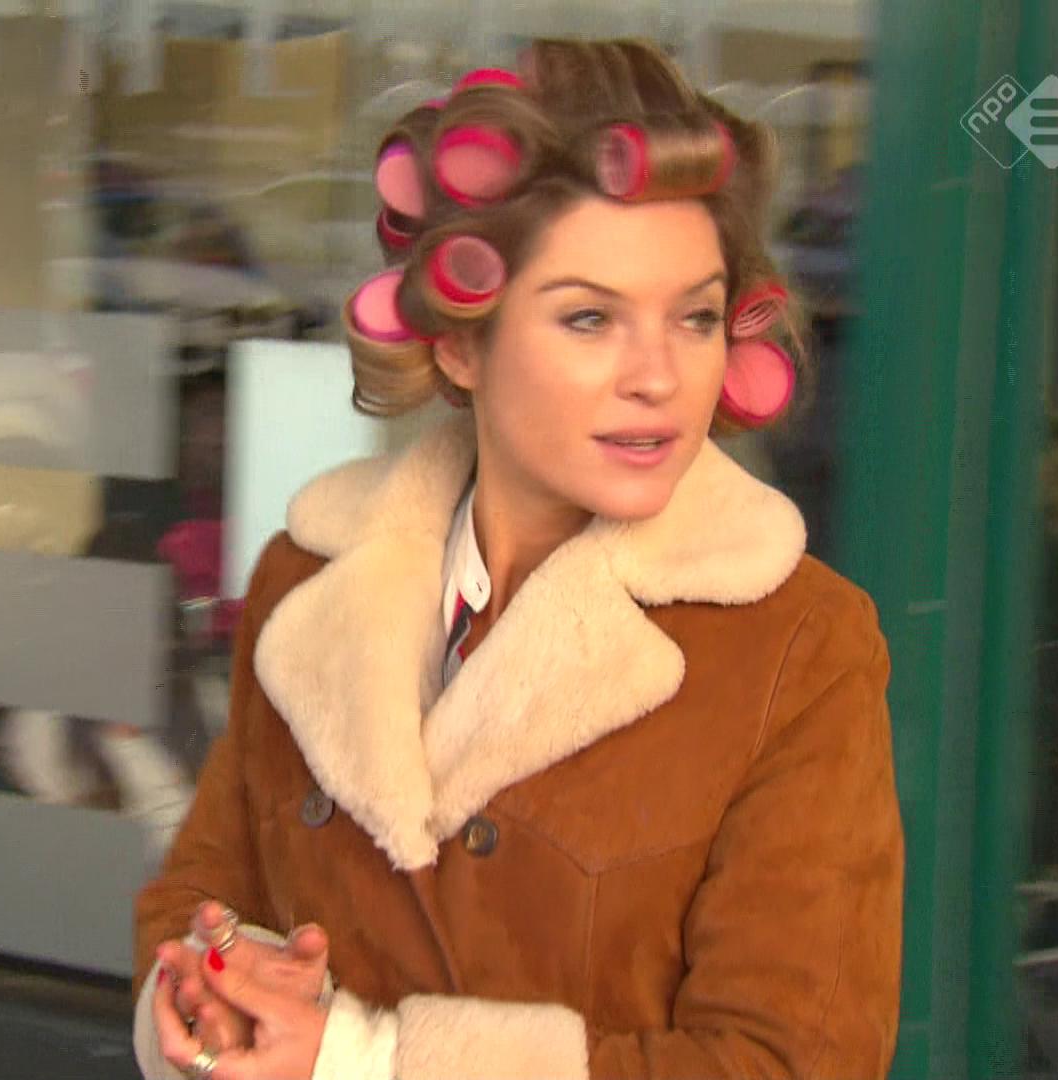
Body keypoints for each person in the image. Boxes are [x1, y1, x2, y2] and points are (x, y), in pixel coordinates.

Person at [131, 38, 904, 1080]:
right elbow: (200, 898)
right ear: (460, 343)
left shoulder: (796, 646)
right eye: (590, 318)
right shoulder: (306, 580)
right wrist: (209, 1000)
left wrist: (367, 1060)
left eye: (695, 317)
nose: (658, 376)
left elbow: (796, 1062)